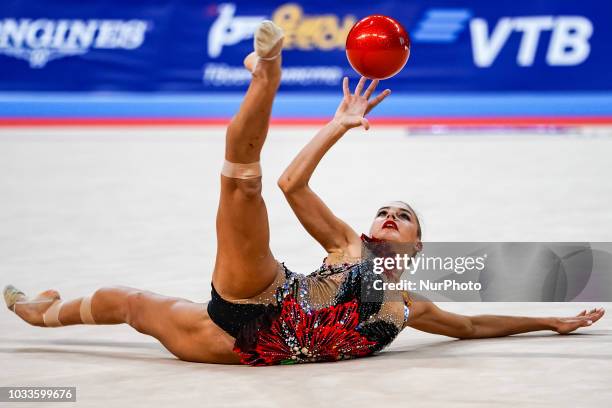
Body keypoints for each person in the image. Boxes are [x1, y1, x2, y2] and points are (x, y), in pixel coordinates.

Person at [3, 21, 605, 366]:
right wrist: (336, 126)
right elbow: (292, 184)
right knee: (243, 184)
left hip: (229, 351)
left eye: (405, 216)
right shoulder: (349, 246)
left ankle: (38, 309)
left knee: (132, 302)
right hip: (261, 302)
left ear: (419, 248)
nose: (391, 216)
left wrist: (549, 323)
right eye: (385, 211)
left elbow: (473, 326)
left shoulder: (409, 308)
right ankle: (268, 76)